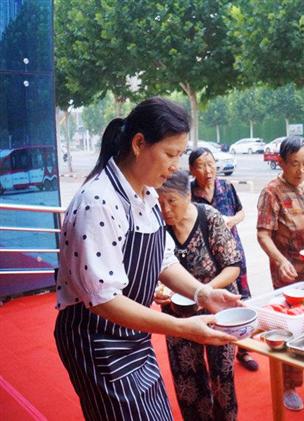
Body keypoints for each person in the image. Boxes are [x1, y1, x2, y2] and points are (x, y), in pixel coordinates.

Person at [53, 97, 241, 420]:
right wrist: (181, 328)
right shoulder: (98, 201)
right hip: (97, 340)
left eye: (180, 156)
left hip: (134, 336)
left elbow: (164, 259)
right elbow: (104, 300)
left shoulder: (149, 196)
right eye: (170, 154)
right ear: (139, 143)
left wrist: (203, 293)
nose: (176, 167)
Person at [256, 136, 304, 410]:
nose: (301, 170)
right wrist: (279, 261)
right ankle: (289, 385)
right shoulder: (271, 192)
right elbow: (263, 234)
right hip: (291, 274)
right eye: (294, 164)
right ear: (281, 163)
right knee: (292, 329)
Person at [155, 170, 241, 421]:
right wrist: (159, 291)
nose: (166, 210)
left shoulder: (209, 217)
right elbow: (155, 270)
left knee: (222, 377)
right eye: (159, 203)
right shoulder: (157, 227)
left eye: (171, 201)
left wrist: (204, 293)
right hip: (178, 316)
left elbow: (233, 266)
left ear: (188, 195)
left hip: (217, 310)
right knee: (187, 379)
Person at [189, 147, 259, 372]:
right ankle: (214, 352)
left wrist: (231, 221)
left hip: (232, 252)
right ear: (192, 170)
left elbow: (241, 212)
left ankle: (244, 348)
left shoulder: (226, 187)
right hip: (206, 258)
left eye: (211, 164)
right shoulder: (189, 194)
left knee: (241, 298)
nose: (208, 170)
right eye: (201, 165)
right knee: (211, 303)